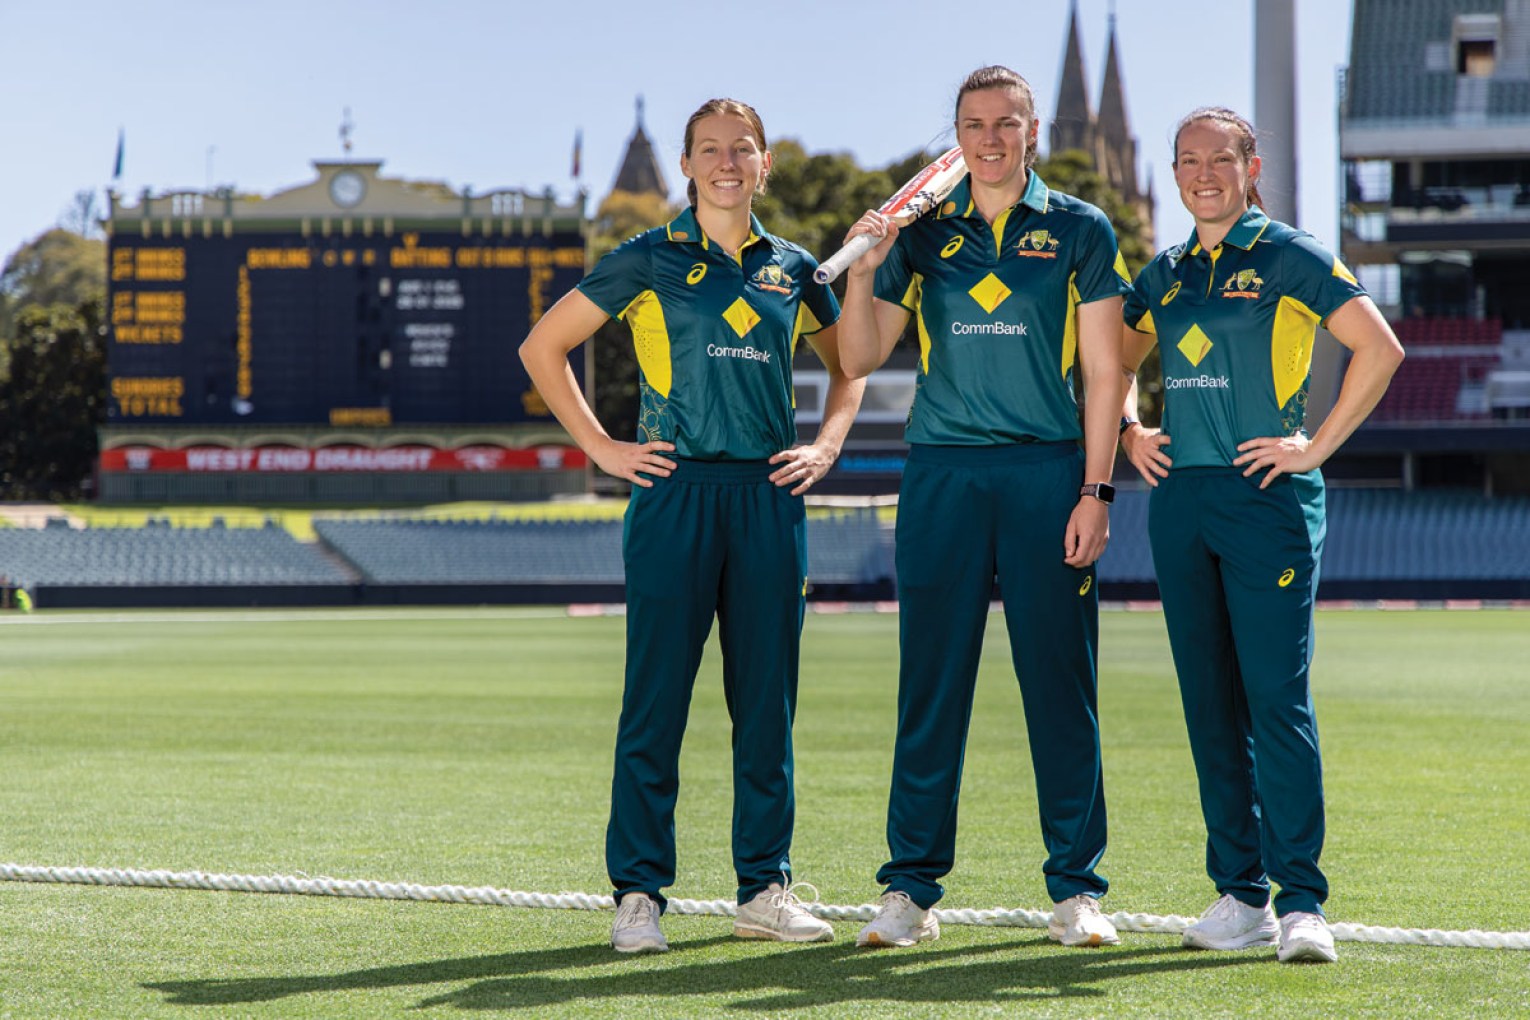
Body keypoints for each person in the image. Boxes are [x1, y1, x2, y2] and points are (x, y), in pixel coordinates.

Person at [519, 97, 864, 954]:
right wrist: (601, 448)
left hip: (767, 496)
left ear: (764, 163)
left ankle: (764, 890)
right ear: (685, 165)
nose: (726, 162)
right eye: (709, 149)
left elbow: (852, 366)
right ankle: (638, 895)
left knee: (765, 707)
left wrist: (824, 445)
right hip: (673, 494)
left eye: (741, 149)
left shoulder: (795, 269)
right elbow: (541, 347)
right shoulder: (648, 256)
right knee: (656, 704)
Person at [837, 65, 1128, 949]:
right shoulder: (921, 235)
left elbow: (1107, 373)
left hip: (1047, 476)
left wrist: (1095, 488)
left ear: (1032, 131)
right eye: (973, 123)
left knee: (1060, 686)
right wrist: (864, 272)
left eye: (1007, 122)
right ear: (954, 135)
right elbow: (856, 359)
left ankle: (1077, 891)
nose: (991, 137)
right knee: (930, 684)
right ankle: (910, 891)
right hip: (943, 476)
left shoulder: (1081, 228)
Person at [1119, 107, 1404, 964]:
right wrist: (1133, 430)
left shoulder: (1290, 253)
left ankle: (1303, 902)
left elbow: (1380, 349)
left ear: (1250, 167)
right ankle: (1238, 896)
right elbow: (1110, 365)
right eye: (1187, 161)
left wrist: (1314, 445)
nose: (1202, 173)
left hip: (1266, 496)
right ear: (1173, 174)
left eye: (1220, 159)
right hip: (1180, 501)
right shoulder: (1161, 274)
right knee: (1209, 704)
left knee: (1276, 701)